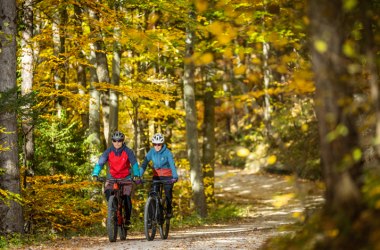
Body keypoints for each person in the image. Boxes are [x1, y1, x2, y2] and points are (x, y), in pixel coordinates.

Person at [92, 131, 140, 227]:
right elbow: (100, 163)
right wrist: (95, 173)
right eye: (114, 141)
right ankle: (113, 209)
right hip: (112, 177)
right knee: (108, 191)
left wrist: (136, 175)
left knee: (126, 197)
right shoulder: (108, 151)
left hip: (125, 177)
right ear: (112, 141)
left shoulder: (128, 151)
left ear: (122, 141)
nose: (117, 143)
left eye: (119, 141)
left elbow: (134, 164)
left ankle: (127, 219)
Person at [139, 133, 178, 218]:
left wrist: (175, 177)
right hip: (156, 175)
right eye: (155, 144)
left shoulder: (167, 153)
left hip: (168, 176)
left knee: (168, 192)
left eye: (159, 144)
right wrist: (139, 175)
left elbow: (172, 165)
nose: (157, 146)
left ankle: (168, 209)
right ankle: (150, 218)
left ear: (162, 144)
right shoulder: (151, 152)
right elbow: (144, 163)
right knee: (152, 194)